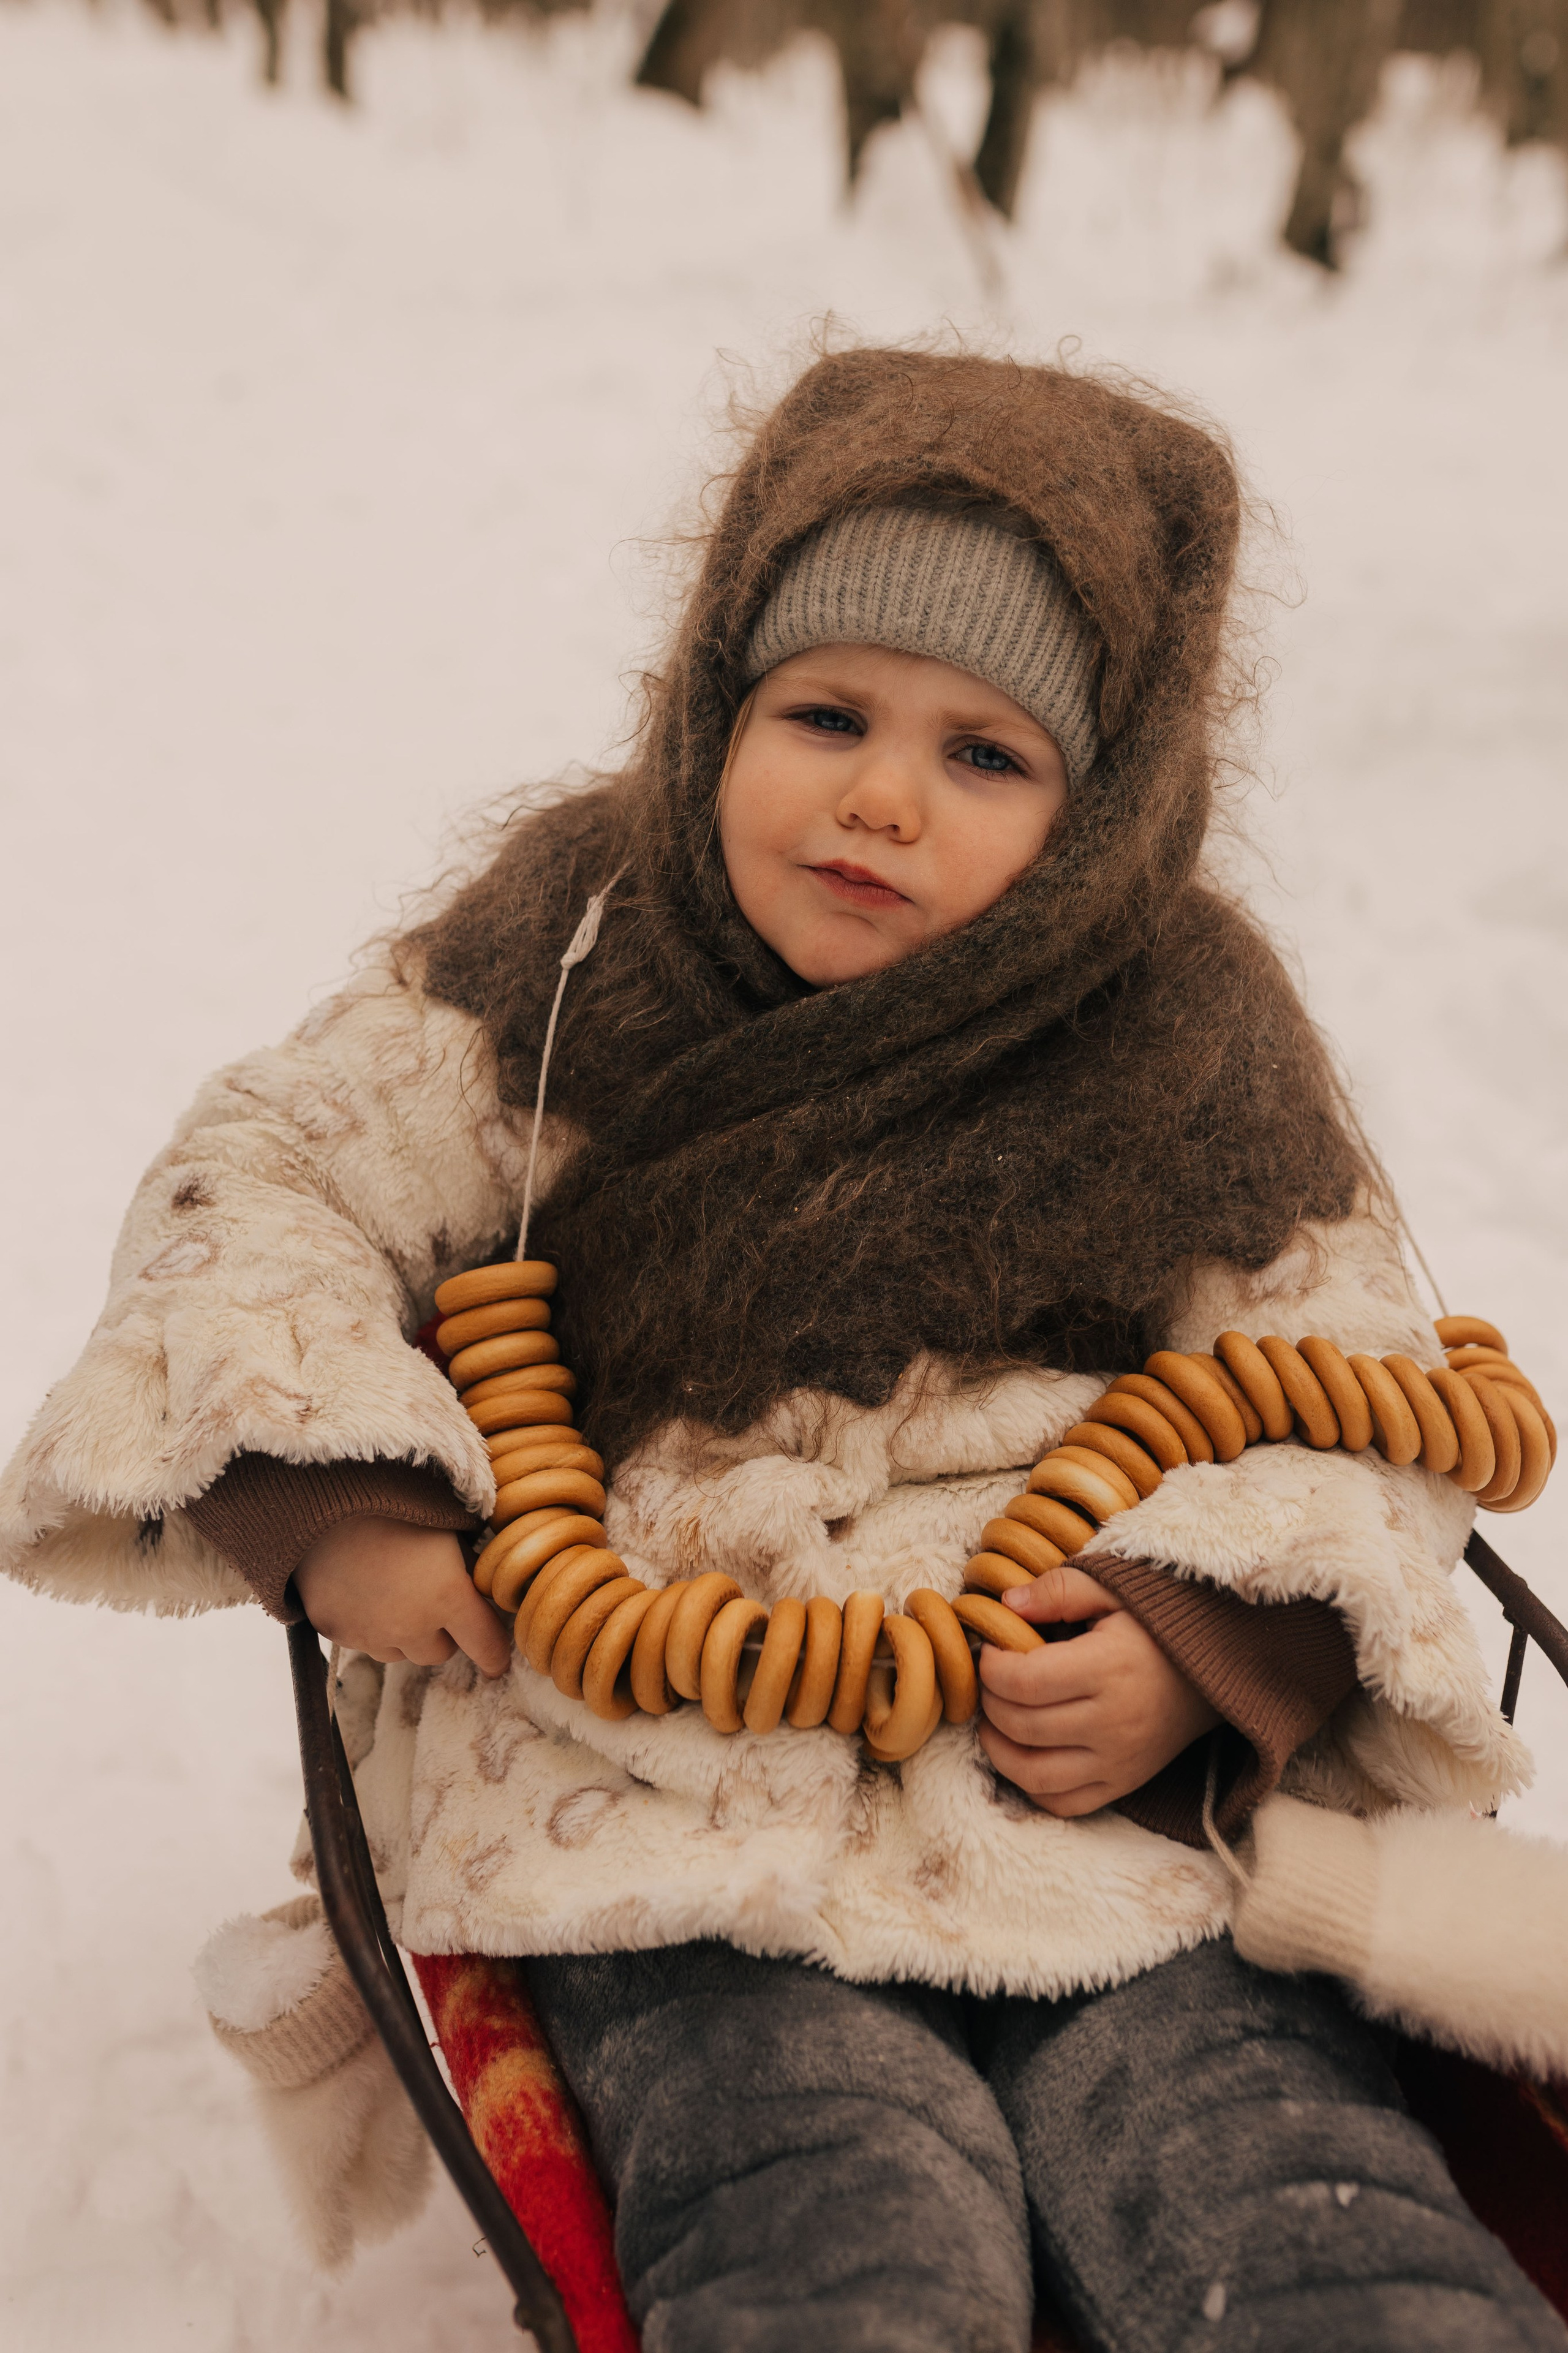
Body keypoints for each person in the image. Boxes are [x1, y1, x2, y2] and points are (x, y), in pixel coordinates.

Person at [3, 347, 1559, 2353]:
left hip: (1080, 1791)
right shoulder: (571, 958)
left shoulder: (1180, 1037)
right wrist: (349, 1495)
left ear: (1100, 815)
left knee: (1276, 2178)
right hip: (661, 1788)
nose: (882, 798)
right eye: (824, 714)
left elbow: (1347, 1356)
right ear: (716, 704)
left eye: (985, 758)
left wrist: (1203, 1636)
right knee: (829, 2203)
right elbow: (275, 1169)